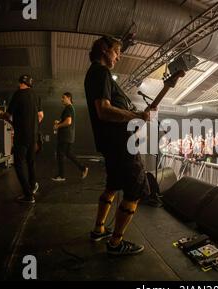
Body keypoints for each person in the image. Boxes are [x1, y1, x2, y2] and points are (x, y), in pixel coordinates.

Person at [84, 35, 153, 256]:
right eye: (116, 51)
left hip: (112, 144)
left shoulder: (95, 74)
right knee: (135, 190)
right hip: (121, 146)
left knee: (113, 184)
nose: (119, 56)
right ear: (104, 49)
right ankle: (115, 243)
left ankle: (99, 229)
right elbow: (104, 110)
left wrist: (133, 119)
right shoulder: (101, 72)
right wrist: (135, 115)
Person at [2, 75, 43, 204]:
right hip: (33, 135)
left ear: (22, 83)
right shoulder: (36, 96)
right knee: (31, 162)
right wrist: (33, 125)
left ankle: (28, 195)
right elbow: (41, 116)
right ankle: (32, 186)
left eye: (20, 83)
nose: (19, 85)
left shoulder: (18, 94)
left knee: (18, 164)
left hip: (21, 136)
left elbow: (8, 115)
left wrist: (6, 117)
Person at [52, 92, 88, 181]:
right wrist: (59, 122)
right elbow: (67, 121)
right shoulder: (70, 108)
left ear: (69, 98)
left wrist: (58, 126)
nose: (62, 99)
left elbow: (68, 122)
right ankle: (83, 168)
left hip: (65, 136)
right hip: (69, 136)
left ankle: (61, 176)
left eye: (63, 97)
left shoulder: (68, 108)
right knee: (68, 154)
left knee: (60, 154)